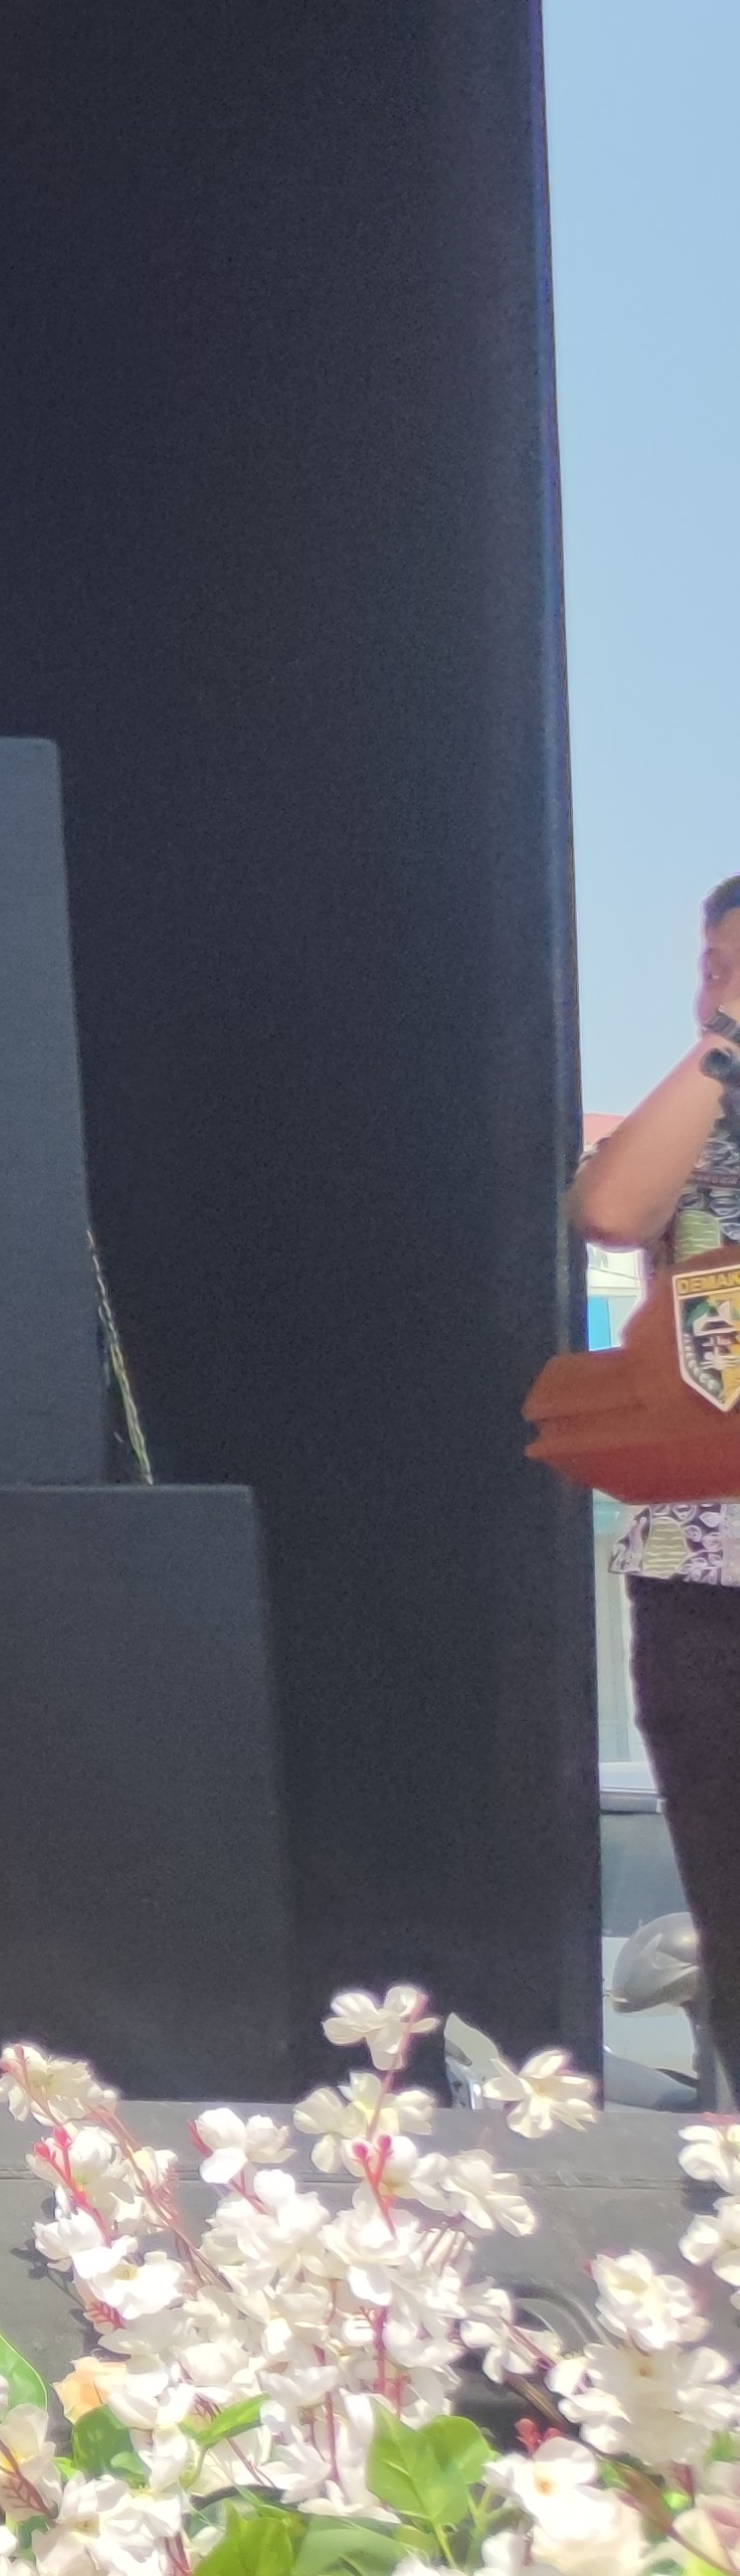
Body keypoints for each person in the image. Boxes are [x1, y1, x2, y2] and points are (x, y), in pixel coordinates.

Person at [579, 880, 740, 2092]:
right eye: (714, 966)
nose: (718, 988)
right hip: (699, 1573)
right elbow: (610, 1208)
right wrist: (722, 1046)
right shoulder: (698, 1120)